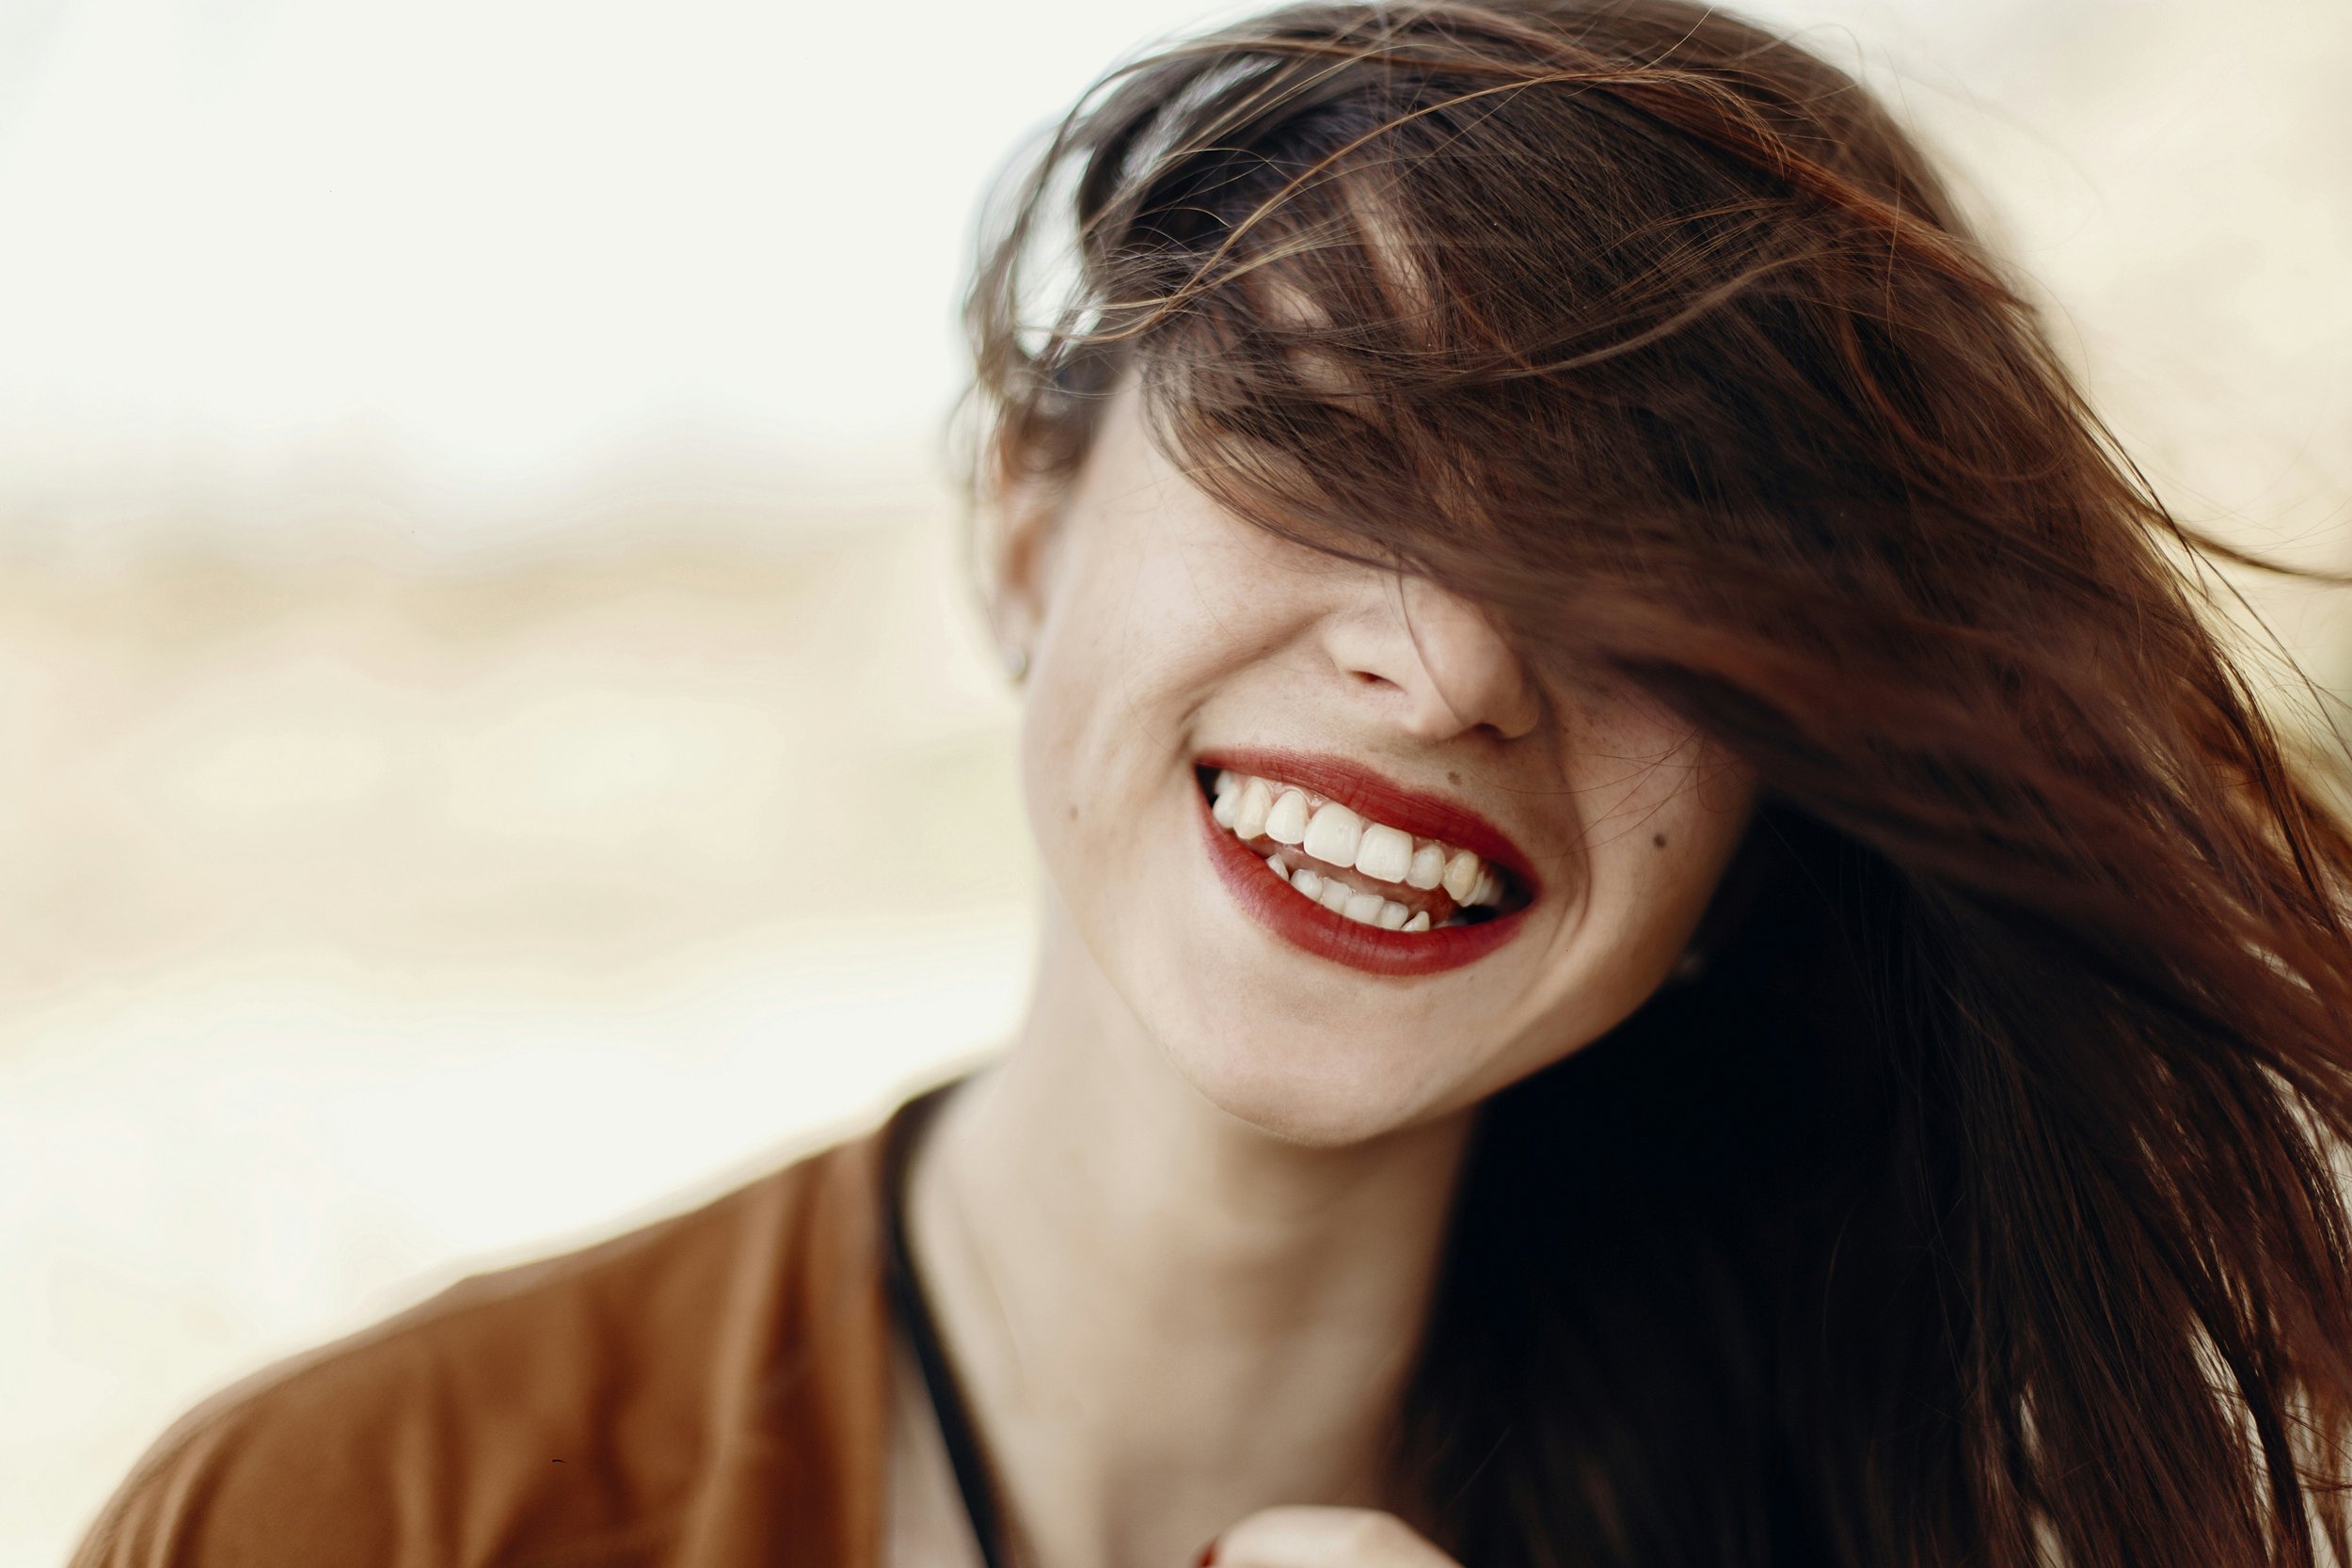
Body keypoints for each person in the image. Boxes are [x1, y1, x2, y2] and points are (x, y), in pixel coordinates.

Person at [71, 1, 2352, 1565]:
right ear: (1027, 535)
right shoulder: (363, 1512)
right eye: (1326, 441)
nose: (1445, 658)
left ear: (1759, 842)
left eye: (1640, 585)